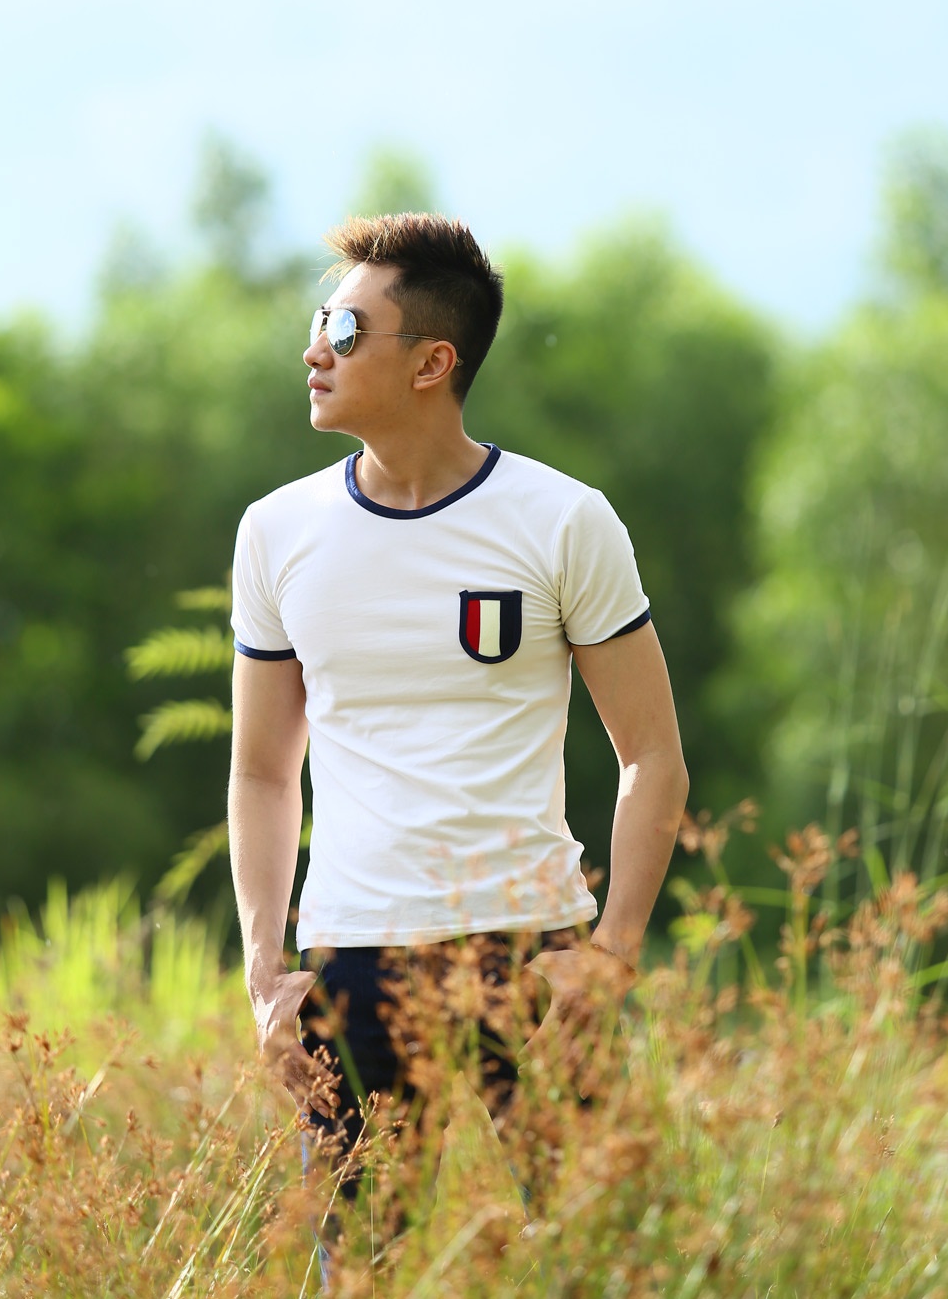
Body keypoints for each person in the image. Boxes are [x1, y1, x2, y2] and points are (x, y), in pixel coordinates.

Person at [227, 212, 689, 1164]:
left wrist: (610, 957)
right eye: (320, 322)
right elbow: (263, 773)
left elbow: (652, 757)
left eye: (346, 330)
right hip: (353, 970)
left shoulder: (563, 520)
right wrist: (265, 975)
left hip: (533, 959)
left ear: (432, 363)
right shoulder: (276, 531)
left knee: (587, 1242)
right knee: (363, 1247)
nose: (315, 350)